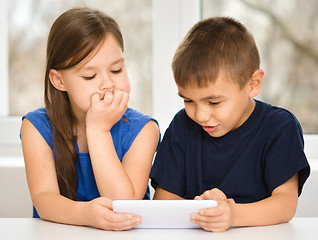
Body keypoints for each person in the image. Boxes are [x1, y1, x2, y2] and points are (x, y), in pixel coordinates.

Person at [150, 17, 310, 232]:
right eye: (188, 100)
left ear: (253, 84)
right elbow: (162, 201)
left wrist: (231, 214)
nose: (200, 115)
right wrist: (203, 211)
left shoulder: (279, 127)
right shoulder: (182, 126)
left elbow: (285, 205)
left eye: (214, 102)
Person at [20, 7, 160, 231]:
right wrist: (87, 214)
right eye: (90, 76)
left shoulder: (144, 130)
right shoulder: (36, 128)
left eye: (117, 70)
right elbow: (43, 199)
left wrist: (98, 130)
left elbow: (124, 204)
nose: (108, 83)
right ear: (59, 81)